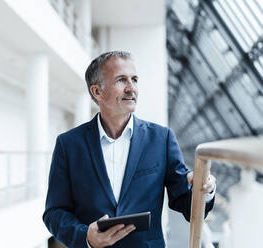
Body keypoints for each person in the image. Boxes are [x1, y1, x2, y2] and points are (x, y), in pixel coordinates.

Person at [43, 51, 216, 248]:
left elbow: (186, 203)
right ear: (97, 92)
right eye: (121, 80)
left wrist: (205, 190)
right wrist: (87, 238)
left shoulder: (161, 139)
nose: (131, 88)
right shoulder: (69, 145)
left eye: (134, 79)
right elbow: (54, 213)